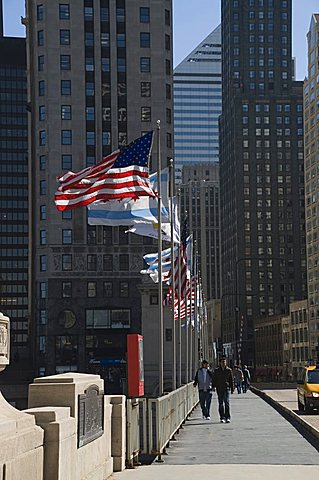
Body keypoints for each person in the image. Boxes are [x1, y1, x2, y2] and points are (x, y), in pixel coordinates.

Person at [213, 356, 234, 423]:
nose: (223, 363)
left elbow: (231, 380)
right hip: (219, 388)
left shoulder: (229, 370)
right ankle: (222, 417)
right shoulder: (217, 371)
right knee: (220, 403)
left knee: (227, 402)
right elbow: (214, 380)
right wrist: (213, 386)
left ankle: (227, 417)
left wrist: (232, 388)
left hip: (226, 388)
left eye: (224, 362)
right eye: (222, 362)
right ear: (220, 363)